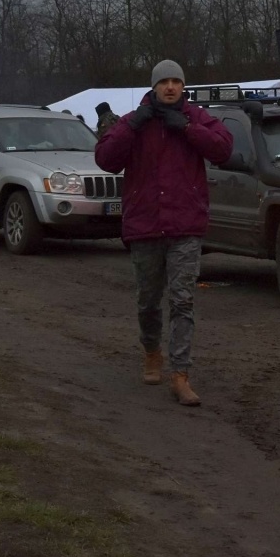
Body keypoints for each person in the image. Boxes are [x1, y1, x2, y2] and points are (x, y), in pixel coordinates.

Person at [95, 60, 233, 406]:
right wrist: (134, 126)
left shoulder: (196, 118)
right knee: (148, 300)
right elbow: (105, 158)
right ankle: (152, 352)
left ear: (183, 86)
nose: (170, 87)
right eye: (164, 82)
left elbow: (224, 148)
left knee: (183, 300)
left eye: (176, 82)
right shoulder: (134, 121)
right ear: (154, 86)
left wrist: (187, 128)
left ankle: (181, 374)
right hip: (144, 225)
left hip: (185, 224)